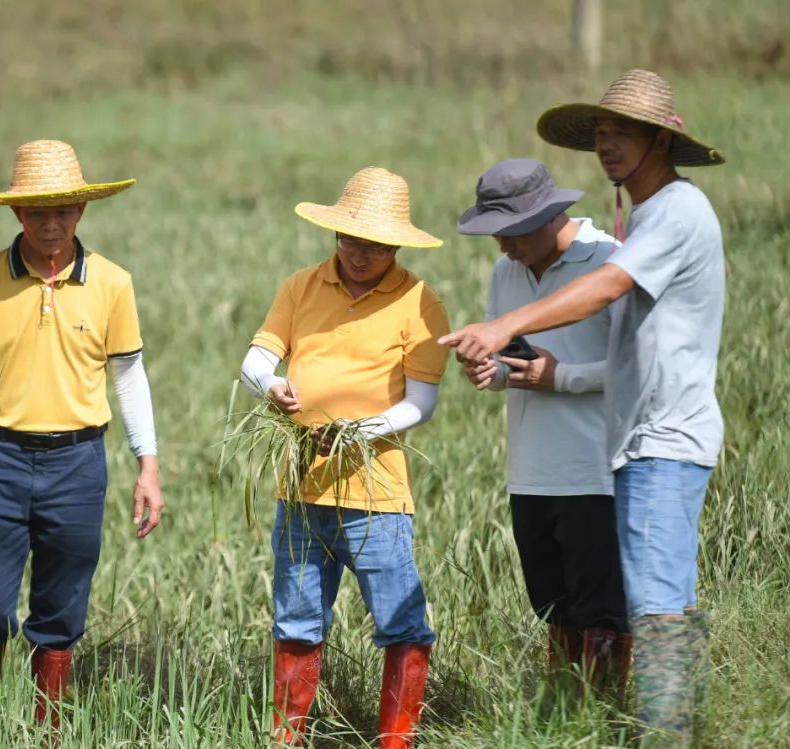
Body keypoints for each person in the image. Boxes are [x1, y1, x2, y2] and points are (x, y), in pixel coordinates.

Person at [440, 70, 725, 744]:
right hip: (633, 441)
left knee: (647, 609)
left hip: (660, 437)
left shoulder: (672, 215)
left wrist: (511, 336)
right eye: (600, 131)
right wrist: (506, 362)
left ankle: (660, 733)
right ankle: (642, 729)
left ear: (661, 139)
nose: (606, 143)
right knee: (648, 604)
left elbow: (608, 288)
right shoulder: (653, 214)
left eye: (621, 131)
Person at [0, 140, 164, 730]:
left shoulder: (112, 284)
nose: (52, 224)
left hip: (78, 463)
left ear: (82, 212)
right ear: (16, 213)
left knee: (61, 607)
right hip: (0, 457)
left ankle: (48, 729)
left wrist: (147, 466)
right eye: (38, 212)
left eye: (64, 211)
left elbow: (129, 377)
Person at [241, 167, 450, 749]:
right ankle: (288, 735)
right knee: (297, 618)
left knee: (401, 622)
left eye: (378, 245)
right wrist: (272, 386)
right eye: (353, 240)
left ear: (398, 245)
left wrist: (368, 429)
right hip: (302, 486)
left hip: (376, 493)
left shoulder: (420, 303)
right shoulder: (300, 288)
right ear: (335, 234)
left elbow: (422, 402)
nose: (362, 254)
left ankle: (396, 739)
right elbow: (256, 359)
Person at [455, 158, 630, 692]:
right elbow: (518, 366)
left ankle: (604, 718)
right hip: (530, 472)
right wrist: (490, 372)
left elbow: (642, 370)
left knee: (602, 610)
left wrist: (563, 377)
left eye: (512, 232)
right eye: (495, 234)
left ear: (553, 215)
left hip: (594, 471)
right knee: (553, 608)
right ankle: (563, 709)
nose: (503, 245)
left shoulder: (611, 262)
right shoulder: (505, 272)